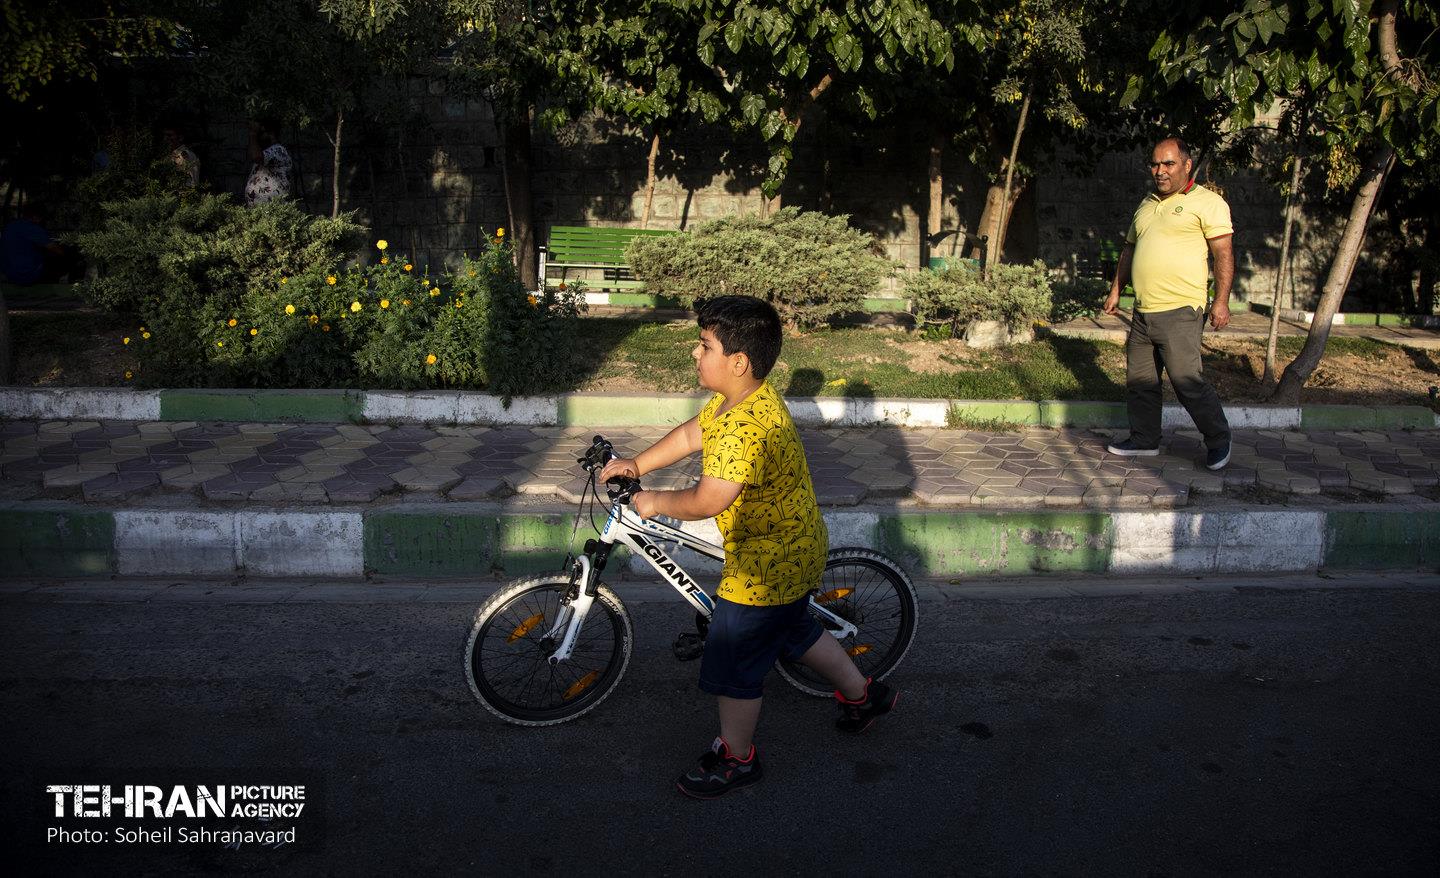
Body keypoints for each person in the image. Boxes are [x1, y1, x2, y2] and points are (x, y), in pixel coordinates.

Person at [598, 295, 898, 799]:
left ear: (737, 361)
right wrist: (636, 464)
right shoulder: (742, 398)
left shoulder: (744, 427)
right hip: (793, 548)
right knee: (795, 631)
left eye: (704, 346)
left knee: (734, 661)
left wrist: (652, 501)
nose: (695, 354)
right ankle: (863, 697)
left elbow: (710, 498)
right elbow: (694, 432)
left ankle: (737, 759)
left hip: (766, 566)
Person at [1103, 136, 1234, 470]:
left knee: (1186, 380)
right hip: (1143, 311)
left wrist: (1221, 301)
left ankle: (1219, 440)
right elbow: (1129, 250)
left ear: (1187, 165)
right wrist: (1116, 290)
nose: (1160, 171)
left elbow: (1223, 253)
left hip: (1181, 309)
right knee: (1140, 382)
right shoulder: (1146, 203)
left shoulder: (1207, 202)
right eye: (1155, 164)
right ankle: (1144, 440)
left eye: (1168, 163)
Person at [0, 204, 73, 285]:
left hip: (8, 272)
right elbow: (57, 250)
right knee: (66, 259)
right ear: (35, 217)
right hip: (25, 274)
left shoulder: (11, 226)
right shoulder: (33, 228)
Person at [244, 119, 292, 206]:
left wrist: (253, 134)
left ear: (270, 134)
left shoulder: (277, 150)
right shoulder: (268, 152)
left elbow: (256, 156)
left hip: (273, 211)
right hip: (264, 212)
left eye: (261, 133)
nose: (258, 138)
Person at [162, 123, 201, 188]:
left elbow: (192, 183)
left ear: (180, 138)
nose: (165, 138)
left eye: (169, 135)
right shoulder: (170, 155)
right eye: (164, 136)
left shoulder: (186, 155)